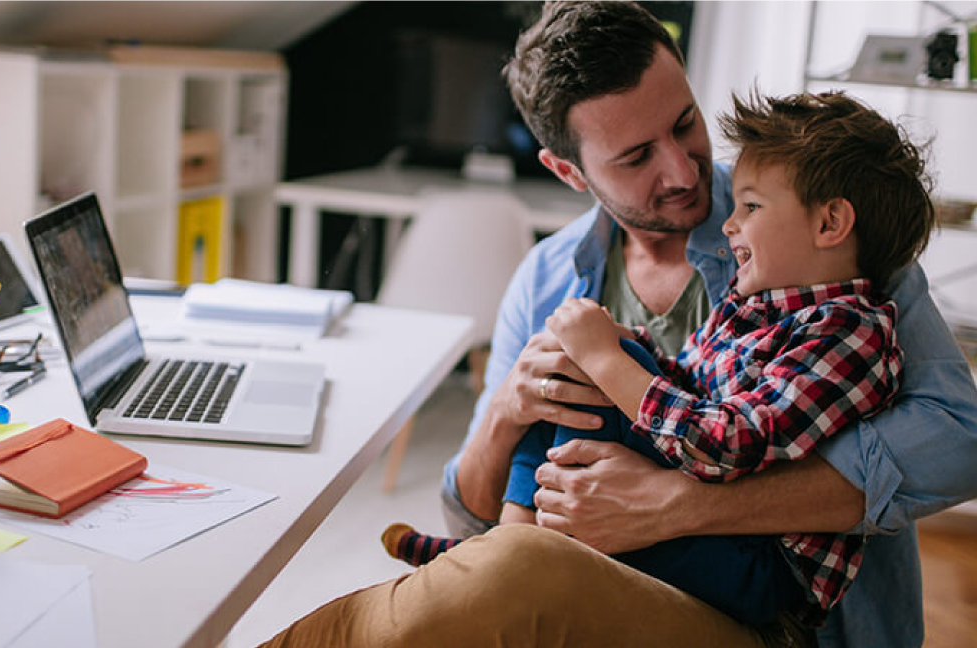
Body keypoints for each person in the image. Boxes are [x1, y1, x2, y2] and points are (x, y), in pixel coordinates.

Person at [261, 2, 977, 646]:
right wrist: (510, 407)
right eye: (636, 157)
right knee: (499, 550)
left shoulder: (810, 236)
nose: (683, 172)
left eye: (685, 124)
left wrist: (676, 507)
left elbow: (958, 438)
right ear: (569, 172)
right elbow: (467, 511)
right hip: (601, 572)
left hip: (775, 617)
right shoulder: (547, 279)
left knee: (511, 573)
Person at [382, 88, 930, 630]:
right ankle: (500, 549)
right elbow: (686, 380)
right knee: (563, 376)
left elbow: (728, 444)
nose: (731, 223)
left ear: (830, 224)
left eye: (752, 207)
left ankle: (499, 561)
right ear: (570, 170)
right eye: (636, 153)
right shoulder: (755, 307)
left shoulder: (851, 331)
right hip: (712, 510)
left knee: (596, 369)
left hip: (761, 564)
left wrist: (610, 360)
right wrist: (615, 349)